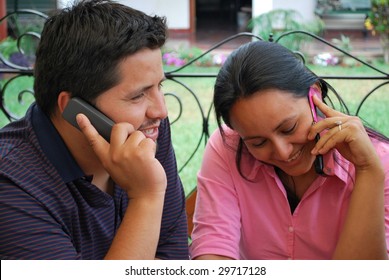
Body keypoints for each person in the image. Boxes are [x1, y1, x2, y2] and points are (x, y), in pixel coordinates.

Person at [0, 0, 188, 260]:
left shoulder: (145, 133)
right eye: (137, 96)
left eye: (159, 87)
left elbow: (172, 258)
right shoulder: (12, 187)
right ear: (74, 109)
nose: (161, 111)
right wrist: (146, 198)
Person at [190, 40, 389, 260]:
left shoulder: (379, 163)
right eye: (258, 143)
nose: (283, 152)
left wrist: (368, 172)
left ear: (314, 95)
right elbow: (212, 250)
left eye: (288, 128)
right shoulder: (228, 146)